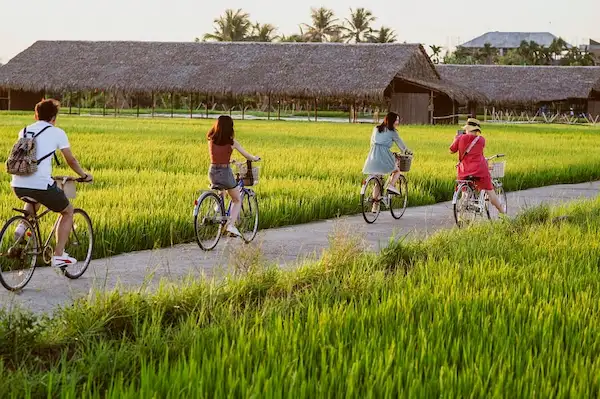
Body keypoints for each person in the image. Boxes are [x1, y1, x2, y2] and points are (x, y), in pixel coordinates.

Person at [10, 99, 93, 267]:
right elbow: (70, 160)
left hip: (17, 184)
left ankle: (22, 226)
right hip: (40, 185)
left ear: (36, 115)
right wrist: (84, 175)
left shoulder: (24, 131)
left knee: (35, 197)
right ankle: (58, 255)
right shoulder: (57, 132)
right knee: (68, 211)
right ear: (54, 118)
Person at [207, 115, 259, 237]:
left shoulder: (211, 140)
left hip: (212, 171)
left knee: (222, 189)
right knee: (236, 199)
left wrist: (228, 160)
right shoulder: (232, 142)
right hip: (225, 173)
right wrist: (255, 158)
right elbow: (247, 156)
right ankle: (230, 225)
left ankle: (217, 207)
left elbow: (217, 156)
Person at [449, 118, 505, 215]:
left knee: (465, 193)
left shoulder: (460, 138)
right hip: (479, 170)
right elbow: (478, 153)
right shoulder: (481, 140)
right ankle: (503, 212)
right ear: (477, 130)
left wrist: (455, 139)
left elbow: (451, 150)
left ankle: (460, 216)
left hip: (464, 171)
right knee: (490, 192)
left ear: (467, 129)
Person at [362, 112, 411, 211]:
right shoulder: (393, 132)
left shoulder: (376, 128)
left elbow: (372, 142)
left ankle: (375, 207)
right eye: (396, 120)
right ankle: (391, 186)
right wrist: (408, 152)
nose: (398, 122)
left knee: (377, 179)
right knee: (396, 170)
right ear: (392, 121)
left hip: (373, 154)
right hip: (384, 155)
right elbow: (402, 146)